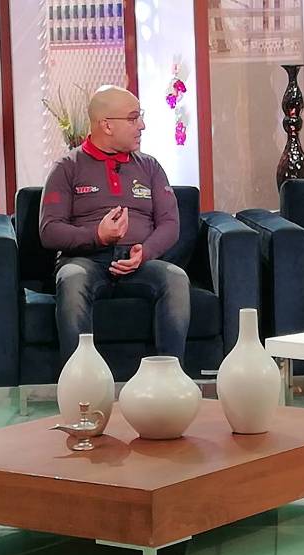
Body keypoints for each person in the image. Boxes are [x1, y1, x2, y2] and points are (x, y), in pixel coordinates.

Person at [40, 84, 190, 368]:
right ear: (106, 125)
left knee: (176, 278)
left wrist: (144, 252)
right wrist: (97, 235)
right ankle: (80, 380)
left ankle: (170, 377)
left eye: (141, 116)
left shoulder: (150, 167)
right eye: (133, 118)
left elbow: (170, 223)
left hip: (139, 263)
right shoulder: (67, 168)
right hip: (86, 261)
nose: (142, 125)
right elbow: (49, 231)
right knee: (71, 279)